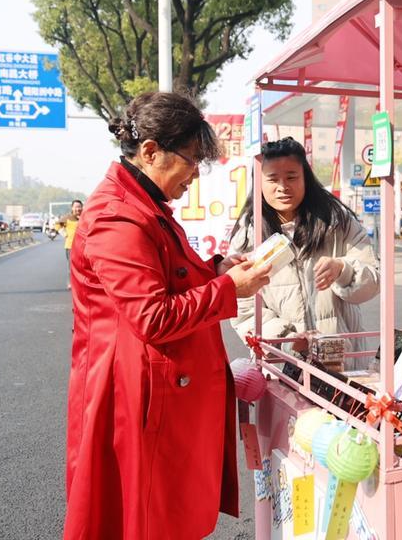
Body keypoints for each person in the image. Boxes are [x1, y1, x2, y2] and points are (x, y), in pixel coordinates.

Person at [63, 91, 272, 539]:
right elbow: (152, 316)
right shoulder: (117, 217)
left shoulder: (143, 204)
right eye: (192, 160)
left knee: (158, 514)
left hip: (150, 386)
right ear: (150, 151)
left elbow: (168, 275)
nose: (195, 174)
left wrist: (216, 271)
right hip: (132, 395)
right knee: (141, 517)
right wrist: (228, 289)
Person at [229, 137, 379, 368]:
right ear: (258, 182)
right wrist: (288, 340)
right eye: (272, 179)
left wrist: (343, 270)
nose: (283, 187)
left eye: (291, 177)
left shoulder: (337, 222)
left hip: (344, 363)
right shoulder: (247, 237)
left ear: (305, 178)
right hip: (285, 367)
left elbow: (373, 281)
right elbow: (244, 310)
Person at [54, 199, 83, 289]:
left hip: (83, 246)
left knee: (82, 266)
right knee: (71, 266)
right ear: (72, 208)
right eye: (76, 207)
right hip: (70, 246)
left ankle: (81, 283)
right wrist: (64, 233)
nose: (78, 209)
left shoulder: (85, 216)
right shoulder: (68, 217)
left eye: (79, 207)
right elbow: (57, 225)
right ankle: (70, 283)